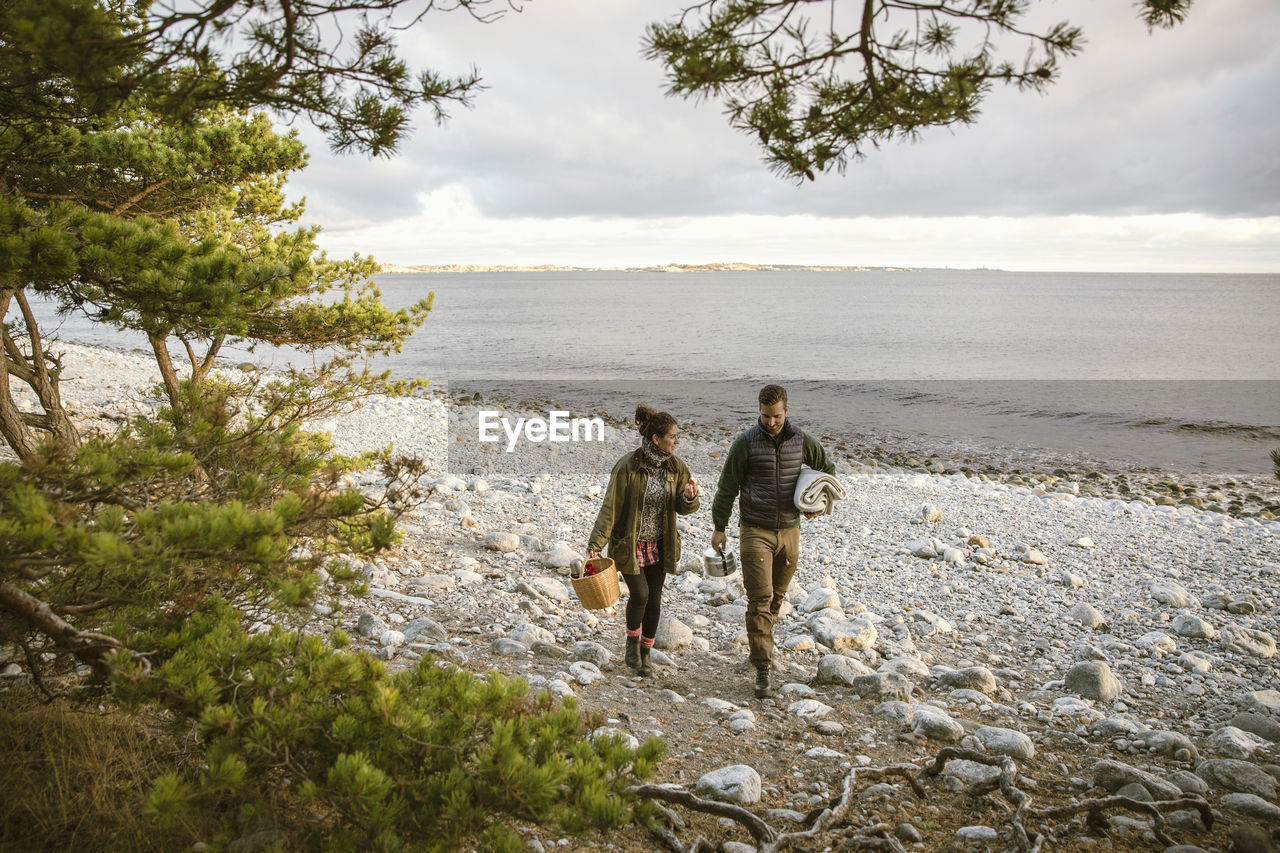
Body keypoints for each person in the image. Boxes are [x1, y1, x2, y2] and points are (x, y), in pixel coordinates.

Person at [710, 384, 836, 699]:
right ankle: (763, 669)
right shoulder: (745, 444)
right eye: (765, 416)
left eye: (776, 416)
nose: (770, 422)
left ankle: (759, 647)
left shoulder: (802, 441)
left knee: (777, 597)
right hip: (755, 530)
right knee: (760, 599)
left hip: (791, 530)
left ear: (786, 411)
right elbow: (727, 487)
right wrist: (719, 527)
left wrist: (815, 505)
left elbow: (828, 472)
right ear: (760, 412)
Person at [588, 405, 700, 676]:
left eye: (677, 437)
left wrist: (689, 496)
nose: (676, 441)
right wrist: (595, 546)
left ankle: (646, 653)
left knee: (655, 600)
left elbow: (684, 507)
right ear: (656, 439)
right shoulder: (628, 465)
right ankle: (631, 642)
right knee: (640, 594)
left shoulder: (676, 467)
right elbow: (610, 508)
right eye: (672, 436)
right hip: (630, 543)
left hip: (660, 545)